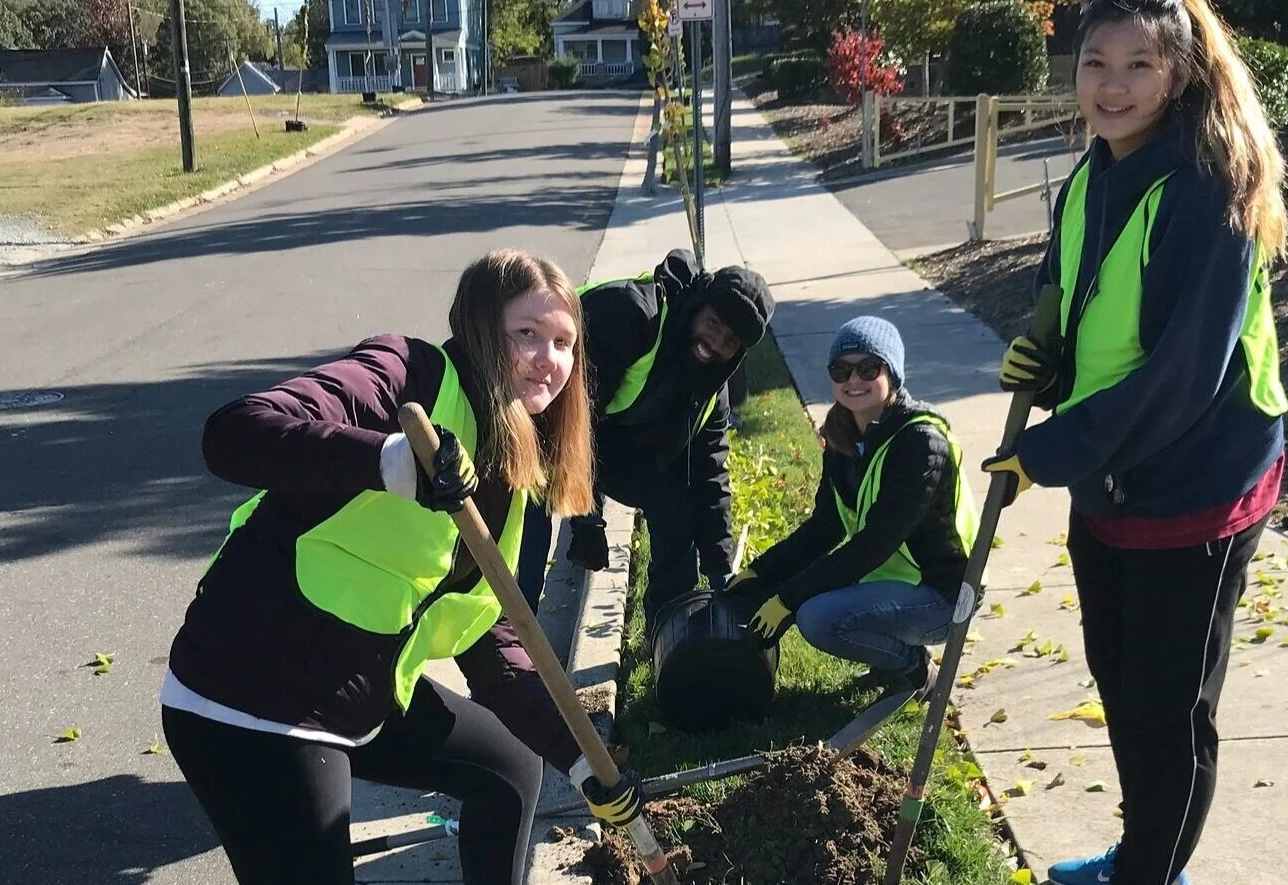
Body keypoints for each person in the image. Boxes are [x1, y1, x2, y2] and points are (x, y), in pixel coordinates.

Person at [158, 250, 644, 885]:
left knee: (512, 771)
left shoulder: (509, 463)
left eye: (563, 342)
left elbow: (486, 636)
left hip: (363, 688)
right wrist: (387, 460)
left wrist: (582, 760)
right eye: (525, 334)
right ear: (479, 329)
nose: (548, 359)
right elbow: (233, 432)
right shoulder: (405, 374)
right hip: (254, 702)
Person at [979, 1, 1288, 882]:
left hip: (1198, 483)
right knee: (1121, 684)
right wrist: (1044, 347)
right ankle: (1147, 851)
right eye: (1095, 63)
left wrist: (1049, 453)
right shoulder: (1092, 174)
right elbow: (1073, 283)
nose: (1111, 86)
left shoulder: (1207, 192)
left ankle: (1148, 872)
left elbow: (1183, 375)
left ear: (1181, 74)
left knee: (1168, 710)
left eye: (1138, 66)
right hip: (1113, 477)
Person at [517, 249, 775, 624]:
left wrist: (721, 570)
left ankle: (672, 627)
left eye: (730, 341)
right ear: (698, 307)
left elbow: (709, 475)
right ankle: (514, 639)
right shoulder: (629, 314)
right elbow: (570, 417)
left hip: (609, 435)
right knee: (531, 521)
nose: (715, 343)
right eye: (714, 323)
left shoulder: (711, 391)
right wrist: (587, 517)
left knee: (676, 504)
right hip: (541, 415)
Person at [723, 317, 978, 697]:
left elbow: (873, 545)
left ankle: (914, 669)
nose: (853, 381)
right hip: (894, 580)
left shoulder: (921, 444)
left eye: (868, 368)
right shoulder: (844, 435)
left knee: (817, 617)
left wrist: (788, 600)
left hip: (944, 594)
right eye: (841, 370)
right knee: (808, 594)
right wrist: (761, 573)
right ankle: (891, 656)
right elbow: (825, 527)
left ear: (892, 373)